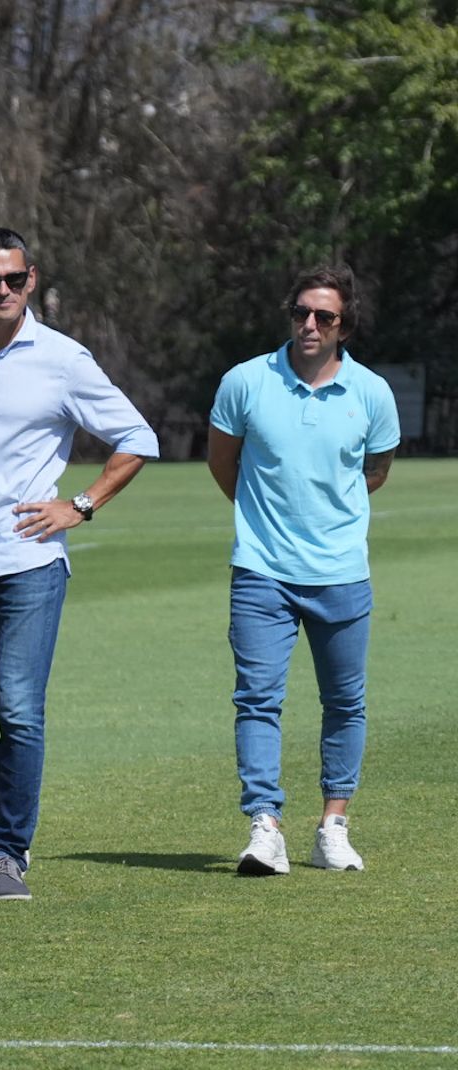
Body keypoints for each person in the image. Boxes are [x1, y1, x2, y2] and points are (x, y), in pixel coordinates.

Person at [0, 227, 158, 901]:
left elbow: (137, 437)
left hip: (29, 561)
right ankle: (12, 805)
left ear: (32, 279)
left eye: (13, 279)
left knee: (18, 709)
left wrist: (80, 505)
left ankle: (8, 850)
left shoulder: (64, 360)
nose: (3, 290)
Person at [207, 265, 399, 876]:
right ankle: (265, 826)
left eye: (324, 316)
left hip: (341, 573)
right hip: (260, 570)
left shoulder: (372, 392)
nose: (310, 324)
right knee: (257, 700)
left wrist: (329, 523)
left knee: (345, 702)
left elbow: (375, 470)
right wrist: (263, 521)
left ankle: (332, 827)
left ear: (345, 325)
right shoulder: (245, 381)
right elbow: (222, 461)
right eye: (301, 313)